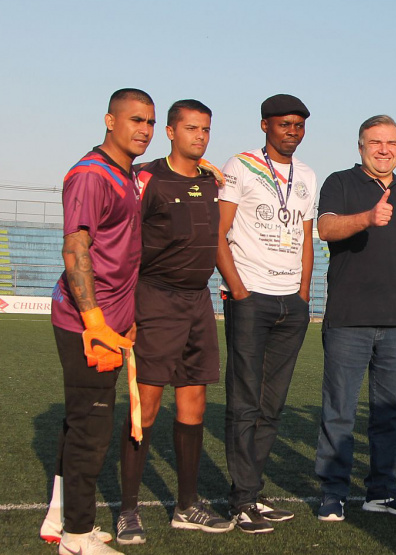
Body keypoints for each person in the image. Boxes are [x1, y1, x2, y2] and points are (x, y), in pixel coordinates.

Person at [114, 99, 233, 545]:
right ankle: (128, 510)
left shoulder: (209, 179)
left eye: (205, 129)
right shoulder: (146, 178)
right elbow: (126, 244)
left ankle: (186, 505)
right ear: (170, 131)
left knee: (194, 404)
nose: (200, 137)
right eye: (191, 129)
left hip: (198, 302)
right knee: (144, 407)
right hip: (154, 299)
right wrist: (128, 310)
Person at [45, 88, 154, 555]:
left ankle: (63, 519)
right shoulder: (91, 175)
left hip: (111, 322)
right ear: (109, 121)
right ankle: (76, 536)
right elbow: (75, 250)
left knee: (80, 426)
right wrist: (96, 323)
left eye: (150, 122)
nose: (144, 130)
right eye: (135, 120)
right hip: (88, 325)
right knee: (91, 430)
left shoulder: (126, 173)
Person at [313, 115, 396, 522]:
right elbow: (326, 227)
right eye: (375, 142)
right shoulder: (340, 183)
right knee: (339, 411)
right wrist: (367, 218)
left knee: (389, 413)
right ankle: (333, 493)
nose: (384, 149)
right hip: (348, 320)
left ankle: (381, 491)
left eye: (392, 142)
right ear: (361, 145)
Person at [216, 94, 317, 534]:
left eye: (298, 125)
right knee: (244, 401)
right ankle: (240, 502)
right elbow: (217, 233)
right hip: (250, 297)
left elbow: (307, 238)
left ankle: (253, 495)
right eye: (284, 124)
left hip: (289, 303)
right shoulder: (240, 166)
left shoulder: (308, 175)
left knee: (271, 405)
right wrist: (238, 290)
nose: (292, 131)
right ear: (265, 126)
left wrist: (302, 294)